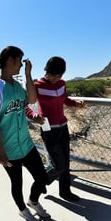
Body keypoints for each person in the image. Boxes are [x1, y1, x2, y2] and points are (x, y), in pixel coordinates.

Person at [0, 46, 50, 221]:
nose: (21, 65)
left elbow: (30, 101)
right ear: (10, 61)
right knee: (17, 183)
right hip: (9, 149)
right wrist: (0, 151)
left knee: (42, 178)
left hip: (27, 145)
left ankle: (33, 201)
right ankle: (22, 209)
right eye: (19, 61)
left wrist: (28, 76)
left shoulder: (17, 85)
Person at [26, 56, 84, 202]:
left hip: (63, 128)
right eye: (54, 75)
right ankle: (42, 182)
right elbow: (26, 105)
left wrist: (75, 103)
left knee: (66, 163)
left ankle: (65, 192)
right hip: (48, 130)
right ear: (47, 72)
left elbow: (65, 100)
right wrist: (34, 116)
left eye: (60, 76)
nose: (57, 79)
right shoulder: (37, 86)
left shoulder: (62, 84)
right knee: (59, 164)